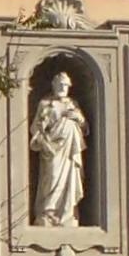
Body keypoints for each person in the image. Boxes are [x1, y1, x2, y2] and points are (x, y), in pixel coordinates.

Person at [30, 71, 87, 226]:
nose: (62, 87)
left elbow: (85, 126)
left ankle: (67, 213)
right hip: (53, 149)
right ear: (53, 85)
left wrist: (78, 118)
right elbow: (35, 127)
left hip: (70, 149)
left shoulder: (73, 104)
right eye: (59, 84)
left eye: (65, 85)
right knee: (52, 176)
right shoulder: (45, 103)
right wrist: (43, 141)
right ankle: (48, 213)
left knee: (70, 180)